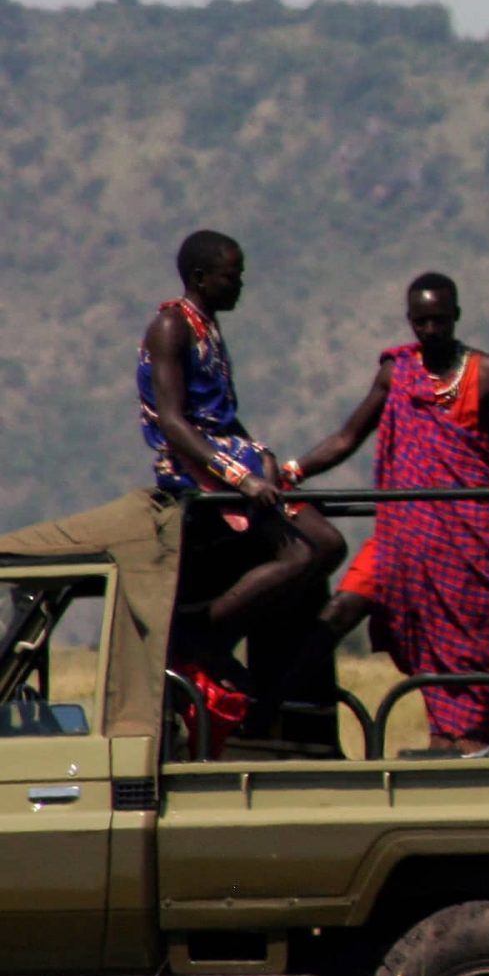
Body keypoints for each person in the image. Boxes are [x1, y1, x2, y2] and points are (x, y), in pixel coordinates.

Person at [287, 273, 489, 754]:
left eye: (439, 320)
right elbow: (347, 437)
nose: (430, 330)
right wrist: (293, 471)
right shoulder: (397, 374)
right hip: (404, 538)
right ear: (409, 321)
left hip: (472, 539)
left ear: (456, 316)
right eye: (421, 322)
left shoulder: (488, 372)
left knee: (478, 644)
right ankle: (293, 729)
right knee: (338, 613)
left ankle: (466, 742)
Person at [138, 230, 346, 753]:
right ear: (201, 278)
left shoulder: (208, 329)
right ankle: (206, 632)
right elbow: (173, 421)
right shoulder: (171, 326)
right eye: (233, 275)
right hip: (194, 466)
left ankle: (231, 635)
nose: (241, 285)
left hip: (230, 455)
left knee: (329, 544)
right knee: (303, 548)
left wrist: (262, 458)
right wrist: (242, 476)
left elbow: (223, 416)